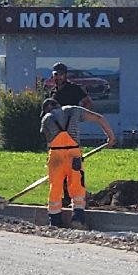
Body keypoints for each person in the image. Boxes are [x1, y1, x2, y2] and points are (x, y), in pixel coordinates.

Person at [40, 97, 115, 228]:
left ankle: (55, 221)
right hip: (74, 155)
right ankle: (78, 218)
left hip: (56, 155)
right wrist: (111, 137)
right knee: (77, 186)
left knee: (55, 187)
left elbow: (46, 140)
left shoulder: (46, 118)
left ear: (47, 108)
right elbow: (99, 118)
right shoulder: (73, 111)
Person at [48, 62, 93, 206]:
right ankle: (65, 197)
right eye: (56, 74)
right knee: (60, 165)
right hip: (57, 133)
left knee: (74, 165)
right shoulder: (52, 92)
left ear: (65, 75)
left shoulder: (74, 89)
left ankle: (79, 196)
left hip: (70, 133)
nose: (58, 77)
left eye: (61, 74)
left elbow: (88, 103)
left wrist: (77, 117)